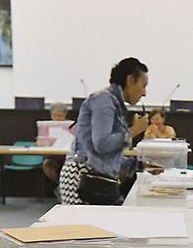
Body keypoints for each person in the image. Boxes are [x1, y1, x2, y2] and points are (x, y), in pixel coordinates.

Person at [58, 57, 149, 206]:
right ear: (130, 80)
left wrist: (140, 165)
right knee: (84, 228)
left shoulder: (114, 103)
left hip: (93, 177)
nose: (144, 93)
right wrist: (133, 131)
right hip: (82, 178)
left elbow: (106, 157)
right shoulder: (104, 100)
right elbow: (101, 144)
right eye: (143, 85)